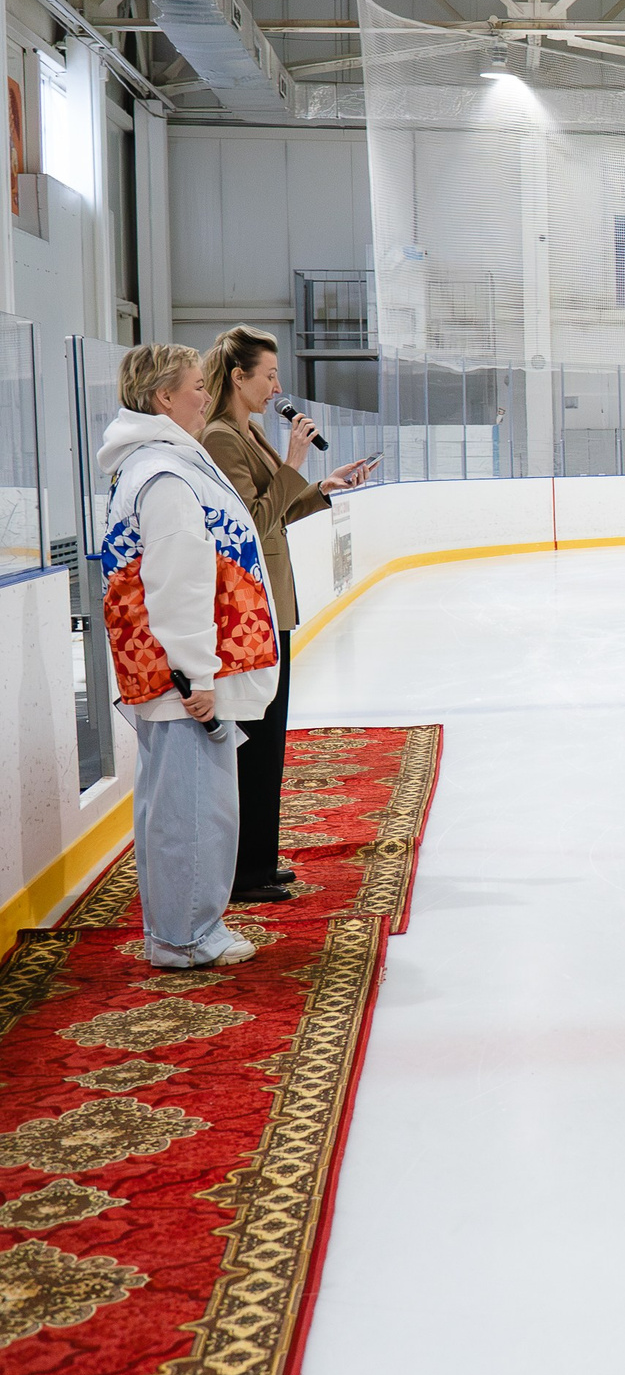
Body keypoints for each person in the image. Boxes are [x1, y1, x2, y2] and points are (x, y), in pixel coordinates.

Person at [97, 344, 281, 969]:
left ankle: (175, 929)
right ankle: (186, 937)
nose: (206, 396)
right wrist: (194, 674)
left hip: (171, 675)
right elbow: (179, 580)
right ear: (162, 399)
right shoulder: (166, 477)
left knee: (173, 804)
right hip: (182, 681)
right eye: (197, 385)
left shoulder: (156, 465)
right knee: (193, 809)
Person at [199, 325, 370, 903]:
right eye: (268, 375)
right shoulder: (223, 437)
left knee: (271, 738)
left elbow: (279, 508)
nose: (277, 386)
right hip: (251, 608)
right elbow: (248, 523)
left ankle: (260, 861)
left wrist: (320, 484)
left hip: (273, 603)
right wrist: (295, 458)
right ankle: (245, 871)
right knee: (257, 738)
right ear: (238, 377)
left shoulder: (247, 431)